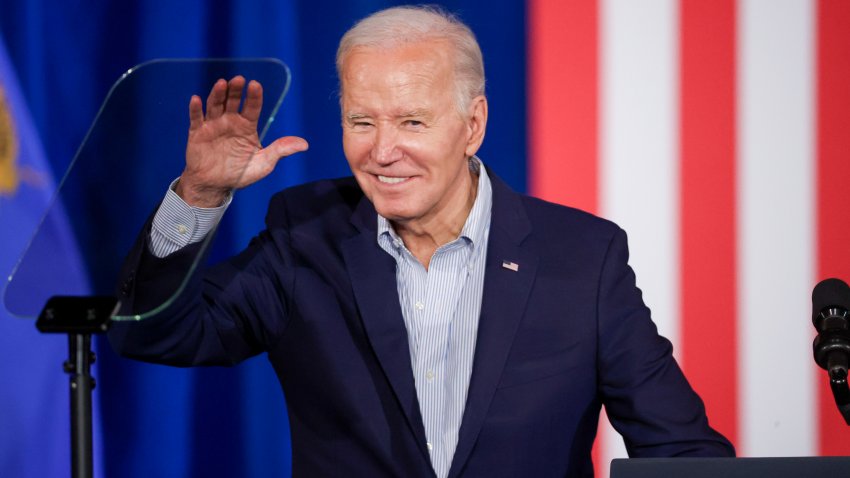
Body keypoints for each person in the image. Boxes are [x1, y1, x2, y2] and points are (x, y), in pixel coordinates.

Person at [109, 5, 734, 477]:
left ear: (473, 124)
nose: (384, 151)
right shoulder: (306, 234)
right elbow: (153, 332)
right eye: (362, 122)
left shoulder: (582, 257)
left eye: (412, 121)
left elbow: (680, 450)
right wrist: (199, 196)